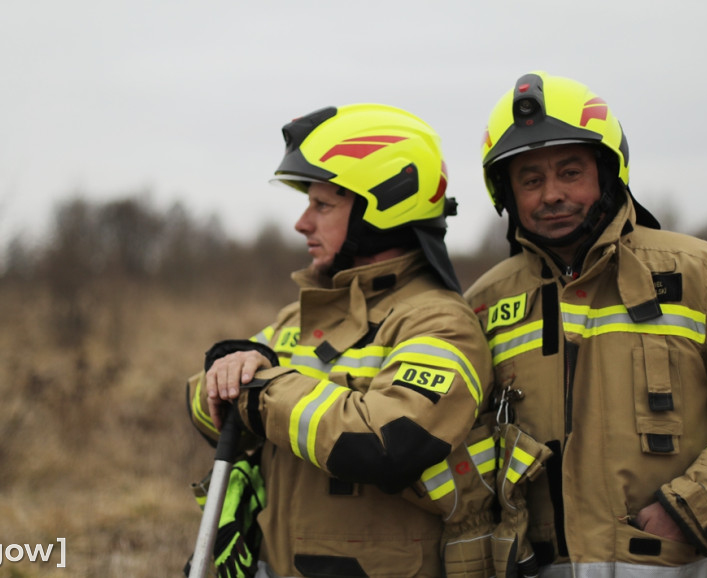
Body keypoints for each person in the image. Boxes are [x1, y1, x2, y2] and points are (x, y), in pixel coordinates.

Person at [464, 71, 707, 578]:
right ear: (507, 193)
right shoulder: (484, 304)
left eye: (570, 172)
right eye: (530, 180)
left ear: (607, 173)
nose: (551, 194)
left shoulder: (701, 275)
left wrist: (696, 507)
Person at [187, 103, 495, 578]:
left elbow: (389, 442)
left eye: (322, 205)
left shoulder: (437, 322)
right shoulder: (302, 315)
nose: (302, 223)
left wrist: (258, 389)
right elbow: (206, 404)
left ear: (384, 208)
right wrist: (227, 370)